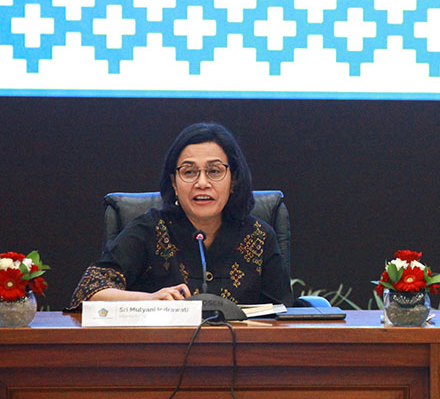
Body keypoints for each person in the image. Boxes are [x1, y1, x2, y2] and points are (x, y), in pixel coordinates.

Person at [67, 122, 292, 309]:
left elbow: (284, 317)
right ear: (174, 182)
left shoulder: (259, 237)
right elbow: (88, 292)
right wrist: (151, 300)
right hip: (162, 356)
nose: (202, 183)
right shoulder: (150, 230)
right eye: (189, 172)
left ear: (233, 180)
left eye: (214, 171)